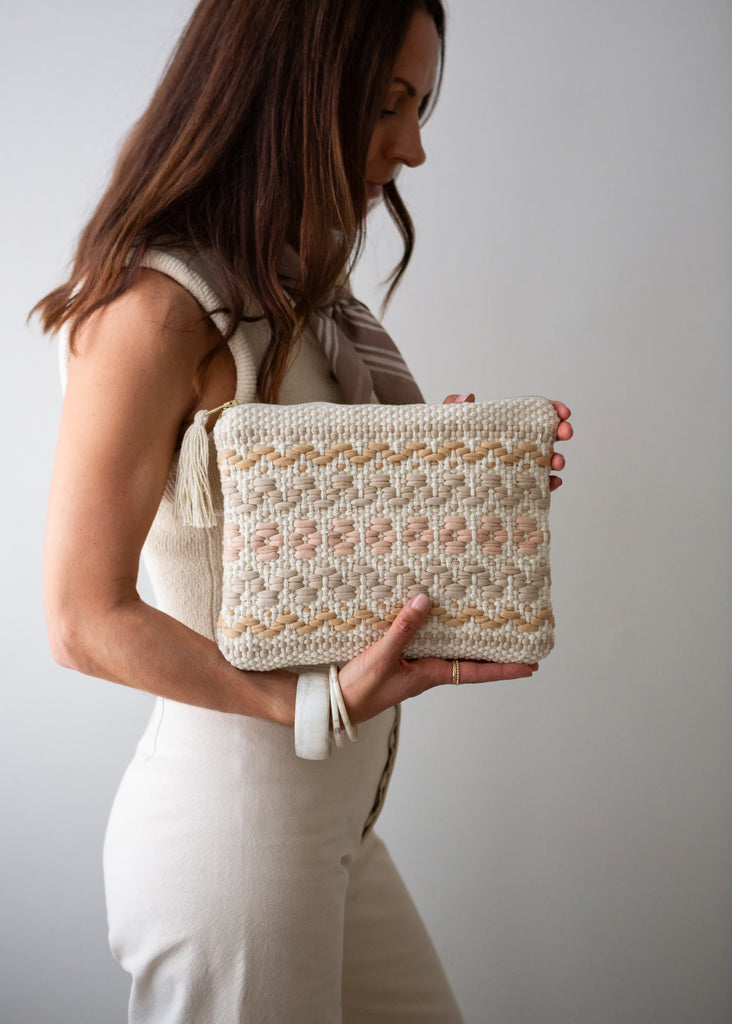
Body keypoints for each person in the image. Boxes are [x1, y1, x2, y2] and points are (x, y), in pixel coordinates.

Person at [35, 1, 573, 1020]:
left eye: (418, 108)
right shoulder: (157, 311)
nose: (413, 147)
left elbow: (319, 545)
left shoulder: (300, 292)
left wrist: (447, 481)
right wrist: (308, 704)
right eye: (386, 104)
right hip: (238, 846)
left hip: (334, 833)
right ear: (290, 86)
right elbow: (81, 618)